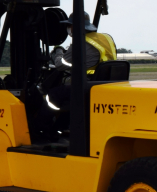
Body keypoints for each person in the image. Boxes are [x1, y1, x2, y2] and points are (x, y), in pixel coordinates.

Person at [37, 12, 118, 141]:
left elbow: (60, 64)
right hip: (103, 82)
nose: (68, 29)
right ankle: (60, 128)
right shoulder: (105, 38)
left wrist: (58, 51)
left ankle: (43, 130)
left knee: (52, 95)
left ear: (74, 27)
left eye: (69, 26)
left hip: (87, 85)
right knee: (67, 97)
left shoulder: (82, 43)